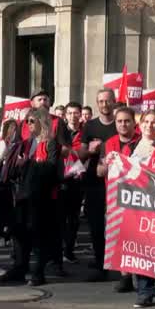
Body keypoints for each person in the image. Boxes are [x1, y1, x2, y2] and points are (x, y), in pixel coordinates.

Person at [102, 109, 155, 309]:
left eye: (154, 123)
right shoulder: (130, 148)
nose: (149, 126)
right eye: (146, 122)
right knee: (142, 253)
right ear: (140, 125)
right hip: (136, 210)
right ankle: (144, 294)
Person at [0, 109, 63, 286]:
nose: (28, 125)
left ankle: (38, 272)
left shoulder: (50, 143)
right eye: (27, 121)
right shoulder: (26, 143)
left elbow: (52, 169)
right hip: (23, 195)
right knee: (19, 233)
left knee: (39, 235)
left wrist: (28, 163)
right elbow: (19, 168)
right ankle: (20, 267)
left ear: (42, 122)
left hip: (42, 197)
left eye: (32, 121)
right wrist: (18, 165)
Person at [78, 88, 119, 283]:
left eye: (108, 101)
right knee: (95, 224)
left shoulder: (120, 124)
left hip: (117, 182)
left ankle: (119, 266)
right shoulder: (90, 126)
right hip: (94, 181)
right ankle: (100, 262)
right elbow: (81, 155)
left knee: (117, 224)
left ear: (114, 101)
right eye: (101, 101)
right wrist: (90, 151)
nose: (104, 104)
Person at [59, 102, 86, 265]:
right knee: (61, 216)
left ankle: (69, 250)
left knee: (74, 217)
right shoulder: (61, 132)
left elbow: (87, 152)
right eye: (69, 113)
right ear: (65, 115)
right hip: (62, 178)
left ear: (80, 115)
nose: (72, 116)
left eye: (76, 113)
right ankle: (60, 248)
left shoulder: (85, 132)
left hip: (78, 178)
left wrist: (73, 153)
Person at [0, 118, 20, 247]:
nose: (13, 130)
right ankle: (7, 236)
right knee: (8, 208)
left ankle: (1, 237)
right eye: (11, 127)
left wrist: (1, 157)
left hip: (0, 179)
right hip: (9, 179)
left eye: (15, 127)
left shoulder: (4, 143)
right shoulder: (16, 143)